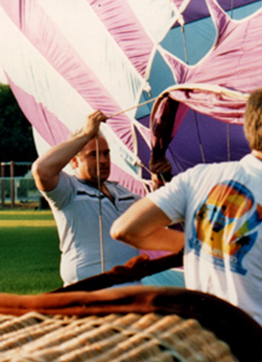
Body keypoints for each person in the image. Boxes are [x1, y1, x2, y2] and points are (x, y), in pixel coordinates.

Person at [111, 81, 262, 362]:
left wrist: (199, 243)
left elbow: (126, 229)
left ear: (248, 130)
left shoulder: (197, 177)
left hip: (202, 351)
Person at [32, 110, 171, 286]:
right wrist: (85, 135)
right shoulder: (68, 191)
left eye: (106, 153)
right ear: (74, 161)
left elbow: (158, 213)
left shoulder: (121, 192)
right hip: (87, 294)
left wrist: (159, 178)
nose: (103, 160)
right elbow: (41, 170)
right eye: (93, 155)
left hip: (129, 291)